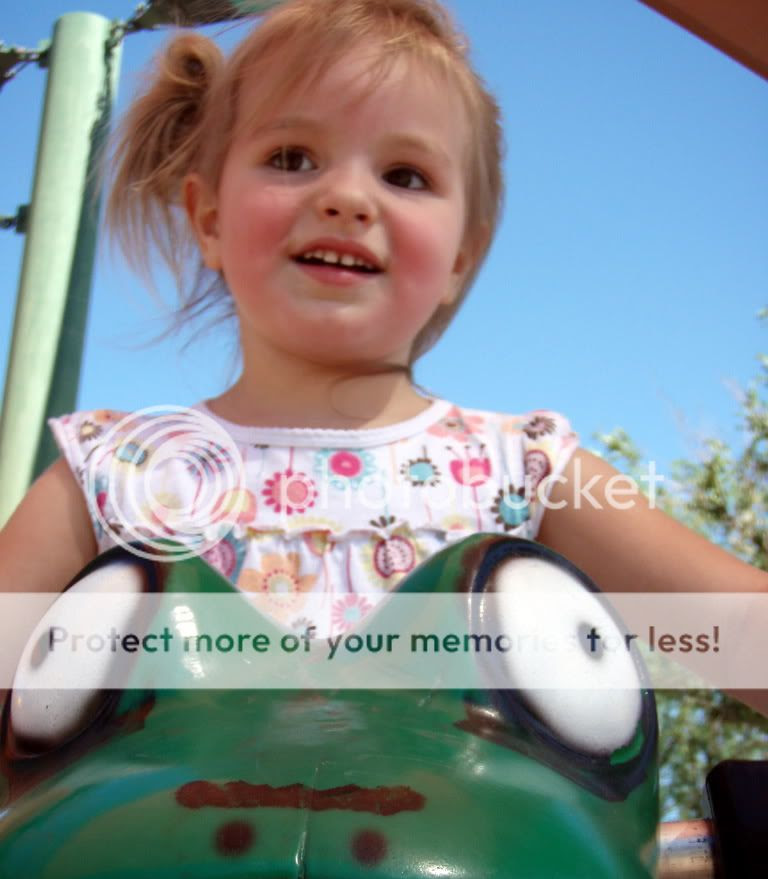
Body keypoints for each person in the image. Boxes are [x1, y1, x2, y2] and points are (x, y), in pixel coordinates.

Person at [0, 0, 765, 708]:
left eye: (405, 175)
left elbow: (738, 630)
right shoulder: (117, 475)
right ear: (209, 220)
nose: (347, 198)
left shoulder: (524, 473)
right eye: (292, 157)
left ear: (460, 258)